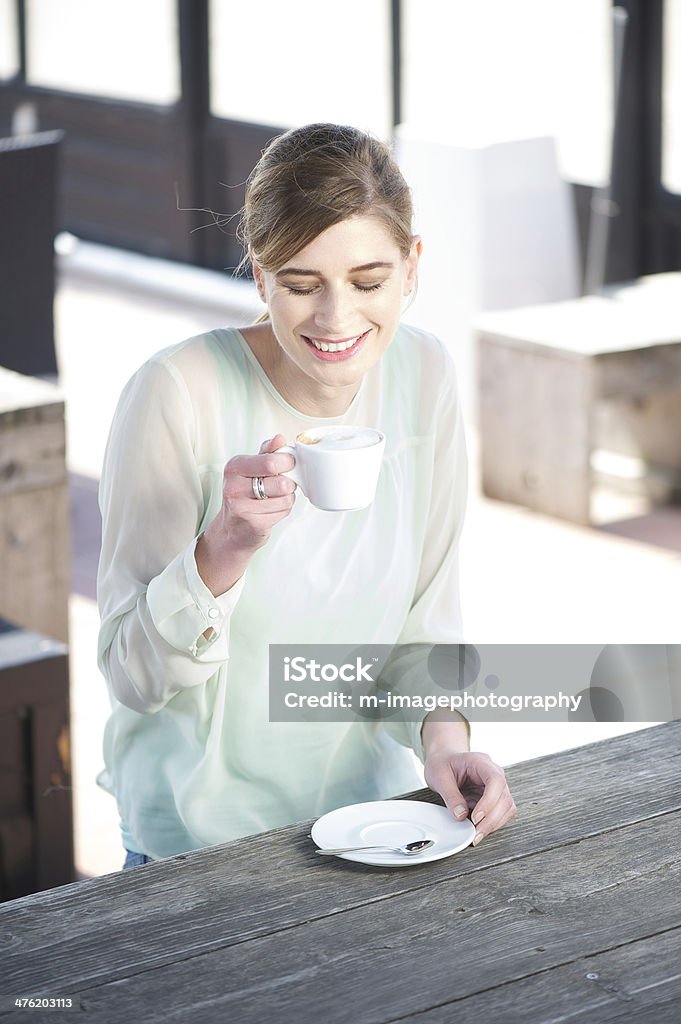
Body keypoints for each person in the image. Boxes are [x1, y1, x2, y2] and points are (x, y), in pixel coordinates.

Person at [96, 123, 516, 868]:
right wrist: (222, 549)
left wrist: (446, 744)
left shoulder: (423, 375)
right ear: (258, 276)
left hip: (371, 822)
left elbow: (425, 627)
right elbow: (134, 678)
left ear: (412, 266)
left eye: (368, 281)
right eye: (299, 285)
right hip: (194, 847)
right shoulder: (176, 392)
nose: (335, 320)